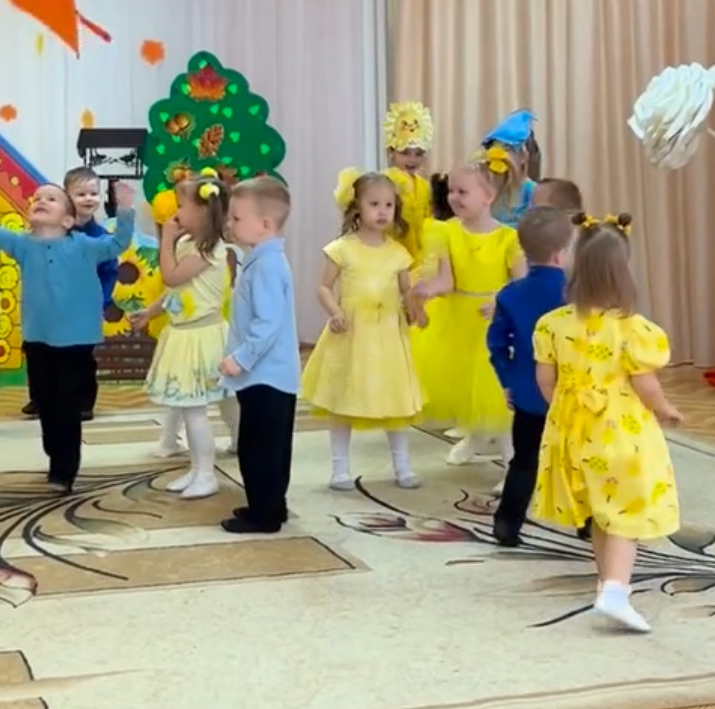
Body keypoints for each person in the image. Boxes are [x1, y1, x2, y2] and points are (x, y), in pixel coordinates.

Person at [533, 212, 682, 633]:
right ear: (623, 273)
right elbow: (645, 384)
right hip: (620, 433)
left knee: (602, 511)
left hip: (572, 432)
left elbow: (545, 381)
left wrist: (563, 411)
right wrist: (664, 408)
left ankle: (606, 582)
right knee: (626, 511)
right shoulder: (632, 330)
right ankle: (615, 591)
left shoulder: (552, 325)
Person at [0, 180, 135, 493]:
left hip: (76, 341)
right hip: (38, 339)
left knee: (67, 407)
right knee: (46, 404)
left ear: (68, 220)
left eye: (51, 199)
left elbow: (117, 244)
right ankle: (55, 454)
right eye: (37, 198)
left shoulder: (84, 245)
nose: (40, 201)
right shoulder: (23, 245)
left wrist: (126, 209)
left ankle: (64, 471)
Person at [301, 170, 426, 490]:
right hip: (352, 335)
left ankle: (403, 465)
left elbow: (406, 290)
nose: (382, 211)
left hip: (388, 335)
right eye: (374, 204)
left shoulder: (398, 253)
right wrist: (335, 312)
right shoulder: (342, 248)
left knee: (396, 398)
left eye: (388, 205)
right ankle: (339, 468)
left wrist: (414, 307)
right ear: (357, 207)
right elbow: (323, 287)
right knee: (344, 397)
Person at [413, 147, 526, 466]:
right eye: (451, 191)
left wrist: (500, 302)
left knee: (494, 393)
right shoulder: (445, 231)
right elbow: (446, 280)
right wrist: (428, 289)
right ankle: (474, 438)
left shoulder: (509, 239)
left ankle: (512, 459)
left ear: (488, 196)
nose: (453, 197)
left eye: (462, 191)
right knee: (467, 390)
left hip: (494, 324)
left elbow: (520, 283)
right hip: (457, 320)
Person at [134, 172, 232, 499]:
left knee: (195, 411)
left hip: (201, 338)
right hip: (184, 335)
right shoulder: (189, 244)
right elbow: (175, 292)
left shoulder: (211, 249)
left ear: (203, 211)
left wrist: (165, 238)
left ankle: (206, 474)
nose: (175, 214)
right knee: (190, 409)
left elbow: (172, 277)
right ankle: (196, 468)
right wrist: (151, 311)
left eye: (181, 206)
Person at [487, 207, 573, 544]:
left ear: (524, 250)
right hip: (573, 394)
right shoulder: (577, 293)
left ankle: (507, 525)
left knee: (524, 461)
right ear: (561, 253)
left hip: (527, 394)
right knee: (578, 459)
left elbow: (496, 344)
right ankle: (588, 522)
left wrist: (508, 380)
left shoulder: (509, 294)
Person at [218, 177, 299, 535]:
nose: (230, 224)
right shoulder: (264, 259)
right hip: (271, 375)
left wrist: (241, 358)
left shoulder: (266, 265)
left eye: (237, 218)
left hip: (265, 374)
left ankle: (264, 514)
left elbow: (267, 323)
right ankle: (271, 505)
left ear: (265, 224)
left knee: (259, 448)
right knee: (272, 445)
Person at [18, 166, 120, 422]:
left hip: (82, 312)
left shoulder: (99, 238)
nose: (88, 199)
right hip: (49, 308)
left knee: (81, 357)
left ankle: (83, 403)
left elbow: (109, 272)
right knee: (40, 352)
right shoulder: (48, 233)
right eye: (81, 194)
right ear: (66, 198)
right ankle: (40, 399)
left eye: (93, 193)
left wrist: (102, 301)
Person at [381, 101, 434, 264]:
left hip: (418, 257)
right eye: (405, 153)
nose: (412, 159)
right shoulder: (384, 182)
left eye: (418, 154)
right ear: (391, 152)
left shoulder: (424, 186)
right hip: (391, 255)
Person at [483, 109, 540, 227]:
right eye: (494, 148)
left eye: (507, 149)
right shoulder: (484, 188)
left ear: (523, 156)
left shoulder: (532, 191)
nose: (498, 153)